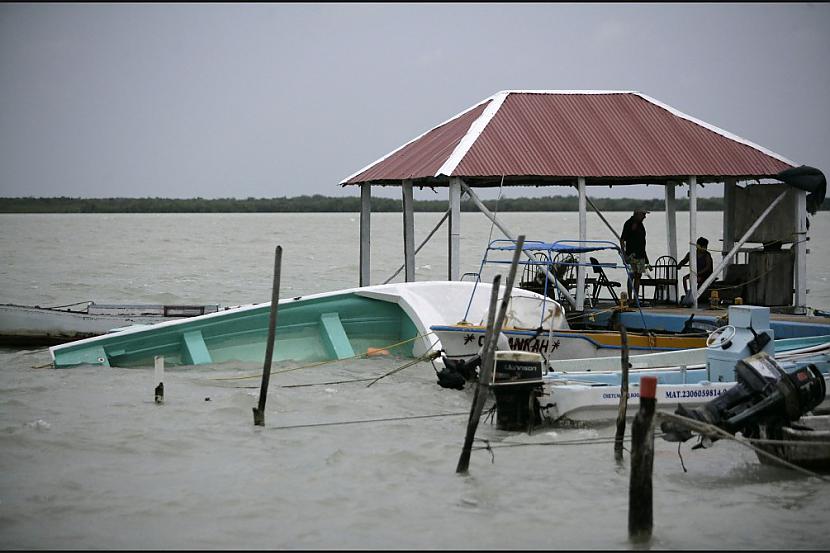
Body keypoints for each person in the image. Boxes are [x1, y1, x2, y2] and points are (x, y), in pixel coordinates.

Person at [620, 207, 649, 300]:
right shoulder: (629, 223)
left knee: (638, 276)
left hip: (641, 254)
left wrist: (646, 256)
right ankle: (630, 298)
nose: (645, 217)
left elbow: (642, 241)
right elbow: (622, 239)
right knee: (632, 275)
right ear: (637, 214)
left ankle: (636, 298)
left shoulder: (641, 225)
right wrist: (624, 253)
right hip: (632, 255)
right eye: (643, 215)